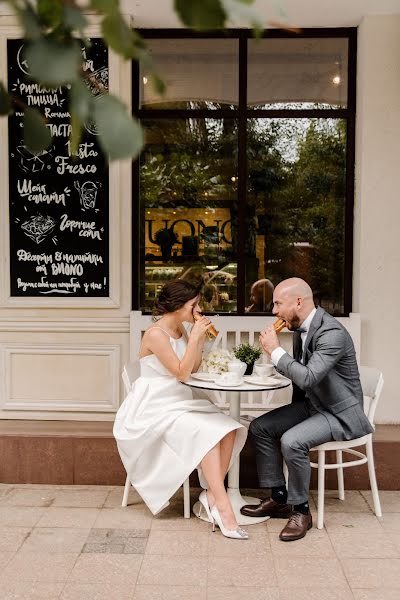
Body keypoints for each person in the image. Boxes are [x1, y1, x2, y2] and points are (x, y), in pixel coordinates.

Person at [114, 279, 248, 539]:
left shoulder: (181, 329)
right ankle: (223, 507)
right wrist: (196, 335)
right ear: (177, 305)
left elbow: (193, 367)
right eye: (193, 304)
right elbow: (181, 374)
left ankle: (211, 494)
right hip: (155, 406)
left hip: (180, 400)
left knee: (230, 429)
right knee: (207, 434)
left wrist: (196, 340)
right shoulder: (155, 333)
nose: (197, 309)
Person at [241, 277, 373, 541]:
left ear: (298, 302)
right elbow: (301, 377)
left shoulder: (331, 333)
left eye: (278, 303)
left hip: (339, 413)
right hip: (313, 406)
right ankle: (279, 499)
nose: (274, 311)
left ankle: (301, 511)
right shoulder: (301, 328)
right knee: (260, 427)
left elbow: (309, 377)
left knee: (292, 441)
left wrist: (276, 352)